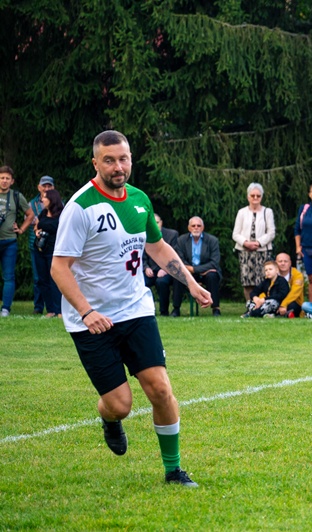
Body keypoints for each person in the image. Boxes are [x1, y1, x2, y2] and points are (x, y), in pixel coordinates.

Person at [51, 130, 210, 487]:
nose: (117, 167)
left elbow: (158, 247)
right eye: (109, 160)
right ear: (95, 163)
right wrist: (87, 312)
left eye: (123, 159)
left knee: (160, 389)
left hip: (136, 311)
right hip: (91, 321)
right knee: (120, 404)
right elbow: (59, 268)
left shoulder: (139, 200)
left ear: (131, 159)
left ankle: (173, 470)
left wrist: (191, 282)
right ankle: (109, 419)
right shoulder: (80, 208)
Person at [0, 165, 35, 317]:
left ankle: (5, 309)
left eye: (7, 178)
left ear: (12, 181)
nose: (4, 181)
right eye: (2, 178)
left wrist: (21, 229)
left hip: (9, 241)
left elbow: (30, 214)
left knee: (9, 276)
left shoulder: (16, 196)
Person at [232, 183, 276, 302]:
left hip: (263, 252)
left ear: (261, 197)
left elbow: (271, 232)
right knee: (247, 281)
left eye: (258, 196)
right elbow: (235, 234)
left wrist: (258, 243)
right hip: (245, 252)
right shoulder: (242, 212)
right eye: (252, 195)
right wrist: (246, 243)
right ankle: (250, 305)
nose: (255, 198)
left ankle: (262, 305)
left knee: (263, 280)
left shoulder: (267, 212)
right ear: (248, 197)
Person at [174, 217, 222, 317]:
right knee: (178, 276)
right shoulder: (181, 240)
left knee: (212, 275)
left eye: (199, 226)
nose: (196, 228)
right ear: (189, 228)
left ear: (203, 228)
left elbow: (214, 262)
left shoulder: (212, 240)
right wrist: (191, 270)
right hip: (188, 273)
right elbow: (179, 260)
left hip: (206, 273)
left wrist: (194, 269)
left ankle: (216, 309)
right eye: (193, 226)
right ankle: (176, 309)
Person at [32, 189, 64, 317]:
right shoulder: (43, 213)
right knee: (42, 280)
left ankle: (59, 310)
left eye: (45, 198)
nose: (42, 200)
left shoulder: (62, 214)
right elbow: (36, 225)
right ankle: (50, 310)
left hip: (54, 251)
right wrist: (37, 232)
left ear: (52, 199)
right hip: (40, 249)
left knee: (55, 280)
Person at [143, 213, 180, 316]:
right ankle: (146, 311)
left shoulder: (172, 235)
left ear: (161, 223)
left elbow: (174, 256)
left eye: (157, 222)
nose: (155, 225)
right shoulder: (144, 235)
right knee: (141, 281)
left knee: (162, 282)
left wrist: (164, 269)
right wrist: (146, 267)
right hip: (150, 270)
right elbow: (141, 255)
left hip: (167, 270)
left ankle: (164, 311)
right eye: (152, 223)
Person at [28, 175, 55, 314]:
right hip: (36, 244)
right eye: (44, 186)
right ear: (39, 187)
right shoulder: (31, 204)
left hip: (52, 246)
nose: (46, 188)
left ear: (53, 187)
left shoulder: (59, 204)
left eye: (49, 186)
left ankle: (56, 308)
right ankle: (38, 307)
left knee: (54, 277)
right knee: (38, 278)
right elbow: (29, 221)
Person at [275, 252, 304, 318]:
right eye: (280, 261)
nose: (283, 263)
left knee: (292, 306)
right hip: (277, 300)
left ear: (290, 263)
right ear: (275, 263)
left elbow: (294, 293)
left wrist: (283, 304)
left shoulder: (297, 275)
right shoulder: (272, 273)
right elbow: (265, 289)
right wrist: (261, 300)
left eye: (285, 261)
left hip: (293, 302)